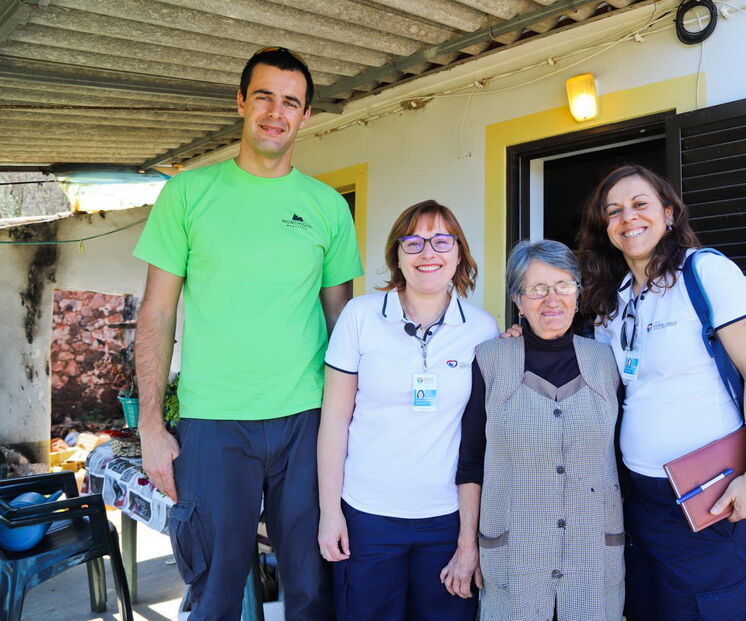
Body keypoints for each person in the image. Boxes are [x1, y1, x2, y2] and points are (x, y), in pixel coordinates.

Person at [134, 47, 362, 620]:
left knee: (311, 589)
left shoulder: (328, 208)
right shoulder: (187, 194)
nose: (275, 112)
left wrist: (357, 420)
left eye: (290, 101)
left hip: (305, 421)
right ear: (240, 101)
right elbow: (157, 313)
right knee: (213, 591)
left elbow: (345, 325)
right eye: (263, 96)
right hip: (214, 425)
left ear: (306, 115)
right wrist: (151, 425)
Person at [578, 164, 746, 620]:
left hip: (710, 491)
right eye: (614, 212)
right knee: (651, 608)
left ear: (668, 213)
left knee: (708, 610)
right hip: (641, 495)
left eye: (640, 204)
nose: (627, 217)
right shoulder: (617, 297)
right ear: (606, 229)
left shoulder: (705, 271)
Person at [318, 200, 498, 620]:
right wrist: (330, 513)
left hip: (446, 520)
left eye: (441, 241)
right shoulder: (360, 317)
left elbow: (480, 440)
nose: (427, 253)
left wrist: (468, 541)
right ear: (397, 255)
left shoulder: (482, 330)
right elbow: (334, 423)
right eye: (413, 242)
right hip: (367, 517)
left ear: (459, 254)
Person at [457, 239, 625, 621]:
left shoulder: (606, 361)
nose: (552, 299)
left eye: (564, 285)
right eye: (537, 289)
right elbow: (470, 463)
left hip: (593, 555)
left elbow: (622, 456)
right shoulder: (489, 360)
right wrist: (467, 544)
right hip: (514, 557)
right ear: (518, 300)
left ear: (578, 293)